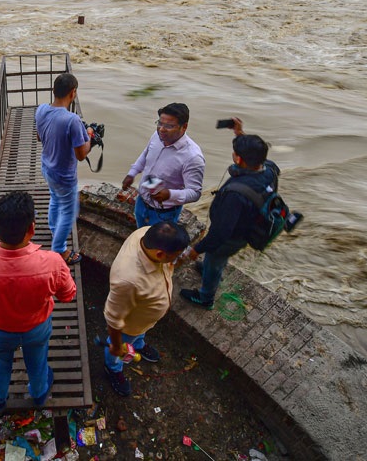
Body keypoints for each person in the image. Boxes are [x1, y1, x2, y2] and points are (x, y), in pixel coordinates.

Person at [0, 191, 77, 412]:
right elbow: (68, 295)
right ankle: (39, 393)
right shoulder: (53, 262)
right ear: (31, 228)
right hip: (37, 328)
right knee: (38, 361)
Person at [180, 118, 279, 310]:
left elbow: (220, 234)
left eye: (235, 154)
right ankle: (214, 268)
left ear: (239, 159)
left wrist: (195, 250)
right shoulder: (270, 170)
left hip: (231, 237)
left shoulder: (235, 195)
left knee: (214, 259)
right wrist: (239, 134)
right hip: (247, 229)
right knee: (216, 259)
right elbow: (257, 157)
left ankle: (205, 297)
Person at [103, 221, 190, 396]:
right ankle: (112, 367)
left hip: (142, 318)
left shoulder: (146, 234)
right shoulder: (127, 280)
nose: (177, 259)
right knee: (119, 345)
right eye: (175, 256)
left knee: (138, 333)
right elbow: (113, 318)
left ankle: (139, 344)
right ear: (159, 254)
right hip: (129, 325)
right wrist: (117, 345)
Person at [35, 73, 93, 265]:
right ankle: (59, 249)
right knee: (69, 211)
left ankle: (54, 228)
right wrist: (90, 137)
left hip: (47, 167)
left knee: (54, 198)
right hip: (64, 175)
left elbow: (39, 137)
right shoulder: (72, 120)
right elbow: (81, 155)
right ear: (73, 93)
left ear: (54, 90)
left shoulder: (41, 110)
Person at [121, 103, 205, 228]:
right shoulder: (157, 136)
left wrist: (169, 194)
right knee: (140, 232)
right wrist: (132, 173)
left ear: (184, 127)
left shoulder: (192, 157)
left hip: (165, 213)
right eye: (159, 123)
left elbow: (194, 193)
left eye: (169, 126)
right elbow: (145, 155)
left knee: (156, 244)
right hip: (142, 202)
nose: (161, 129)